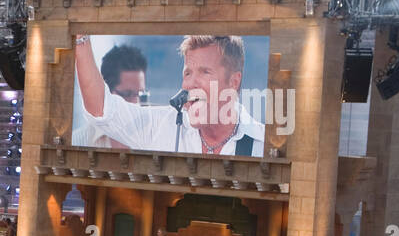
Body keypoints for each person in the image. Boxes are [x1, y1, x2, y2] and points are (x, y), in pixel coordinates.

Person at [75, 34, 264, 156]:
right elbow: (101, 110)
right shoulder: (162, 126)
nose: (190, 84)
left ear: (234, 82)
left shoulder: (263, 144)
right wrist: (81, 38)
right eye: (187, 73)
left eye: (205, 72)